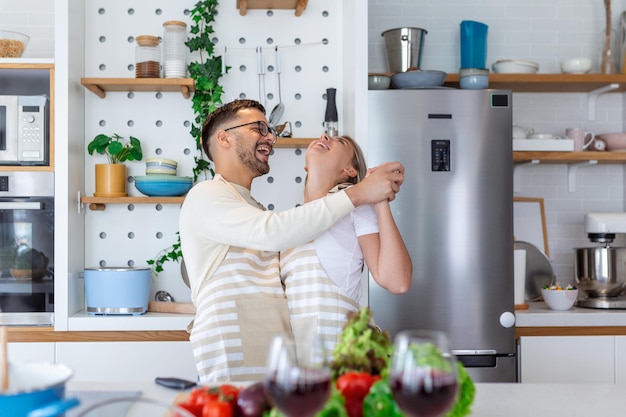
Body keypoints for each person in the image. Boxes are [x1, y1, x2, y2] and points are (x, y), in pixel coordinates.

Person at [179, 99, 405, 383]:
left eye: (270, 129)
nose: (270, 137)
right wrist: (362, 192)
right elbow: (271, 231)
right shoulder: (207, 194)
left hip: (279, 367)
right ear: (223, 137)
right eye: (258, 128)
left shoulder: (256, 210)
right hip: (232, 363)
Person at [281, 133, 412, 352]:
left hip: (344, 357)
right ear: (306, 167)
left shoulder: (355, 208)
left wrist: (379, 201)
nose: (324, 136)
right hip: (302, 361)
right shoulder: (290, 223)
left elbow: (397, 281)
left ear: (350, 171)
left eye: (339, 142)